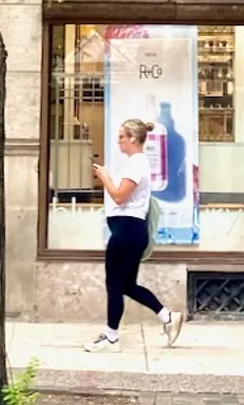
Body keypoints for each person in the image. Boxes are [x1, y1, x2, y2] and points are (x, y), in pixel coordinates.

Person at [84, 119, 184, 353]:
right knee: (126, 284)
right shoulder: (135, 163)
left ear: (132, 139)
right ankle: (167, 316)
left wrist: (104, 176)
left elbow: (120, 196)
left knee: (115, 284)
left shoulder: (136, 164)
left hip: (127, 231)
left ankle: (111, 337)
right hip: (128, 230)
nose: (118, 140)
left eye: (121, 136)